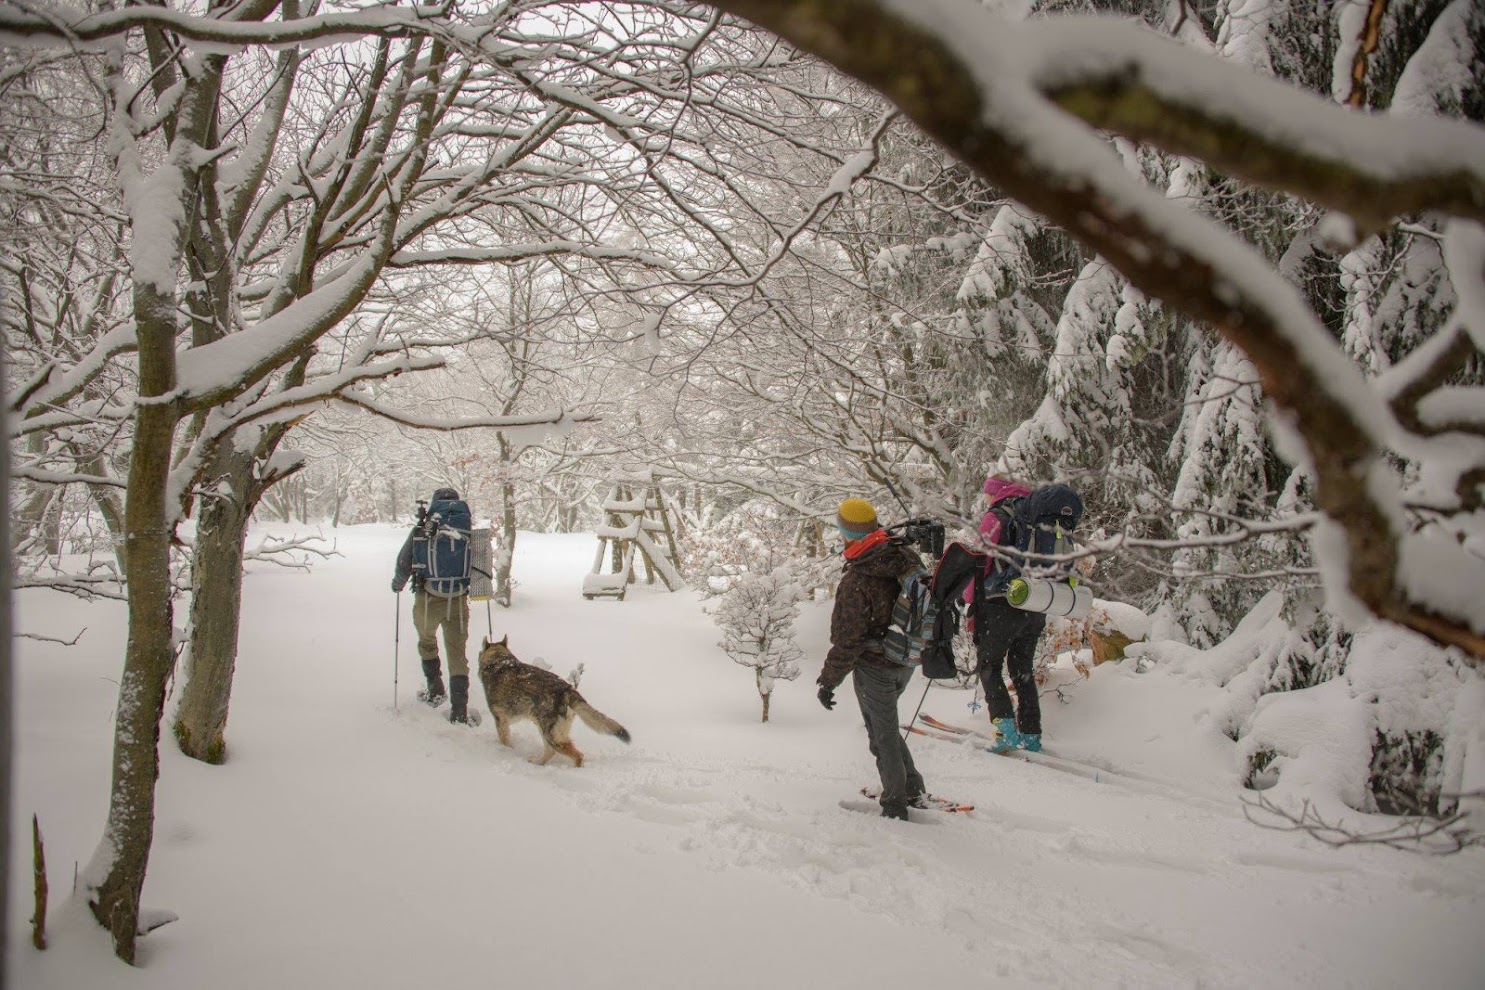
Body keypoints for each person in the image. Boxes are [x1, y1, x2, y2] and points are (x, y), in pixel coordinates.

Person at [816, 497, 928, 820]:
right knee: (887, 730)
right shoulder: (901, 553)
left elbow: (846, 642)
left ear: (847, 534)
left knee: (882, 738)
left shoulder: (857, 580)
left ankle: (895, 804)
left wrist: (828, 680)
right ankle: (912, 789)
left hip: (875, 668)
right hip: (905, 659)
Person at [969, 476, 1044, 753]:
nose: (986, 499)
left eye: (987, 493)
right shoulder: (1037, 515)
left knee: (989, 666)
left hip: (1001, 604)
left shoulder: (996, 516)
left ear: (994, 493)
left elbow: (981, 561)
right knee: (1022, 669)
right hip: (1035, 601)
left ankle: (1005, 732)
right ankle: (1032, 734)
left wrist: (969, 597)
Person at [392, 487, 474, 724]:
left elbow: (404, 561)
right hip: (457, 600)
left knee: (427, 642)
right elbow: (481, 565)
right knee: (457, 652)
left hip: (427, 599)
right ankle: (459, 711)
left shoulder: (422, 529)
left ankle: (436, 690)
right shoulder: (466, 530)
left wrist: (398, 584)